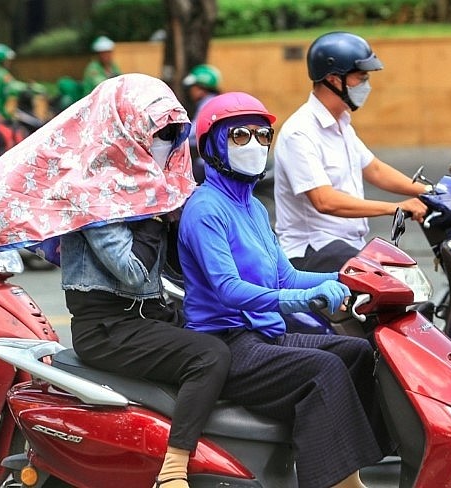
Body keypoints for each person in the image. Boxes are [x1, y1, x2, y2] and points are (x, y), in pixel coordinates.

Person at [178, 91, 388, 488]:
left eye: (262, 136)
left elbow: (285, 276)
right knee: (324, 369)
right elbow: (228, 290)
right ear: (213, 146)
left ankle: (353, 473)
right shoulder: (205, 209)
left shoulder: (254, 207)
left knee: (360, 353)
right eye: (240, 135)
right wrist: (302, 299)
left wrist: (348, 278)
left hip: (265, 335)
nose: (255, 145)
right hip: (230, 344)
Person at [58, 75, 229, 488]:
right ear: (128, 131)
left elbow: (171, 268)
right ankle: (172, 469)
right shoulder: (94, 190)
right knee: (210, 356)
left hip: (148, 314)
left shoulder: (145, 186)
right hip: (108, 328)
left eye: (173, 135)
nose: (166, 144)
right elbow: (133, 273)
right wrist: (156, 216)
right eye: (159, 134)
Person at [273, 31, 428, 272]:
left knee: (399, 280)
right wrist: (395, 208)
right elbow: (324, 201)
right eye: (361, 77)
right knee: (397, 284)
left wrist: (430, 193)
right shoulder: (300, 132)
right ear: (334, 79)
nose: (367, 85)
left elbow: (374, 169)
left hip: (345, 247)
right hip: (311, 251)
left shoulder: (341, 123)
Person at [182, 64, 222, 183]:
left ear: (201, 88)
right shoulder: (214, 101)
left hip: (209, 162)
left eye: (193, 87)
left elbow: (194, 132)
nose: (191, 91)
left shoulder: (208, 104)